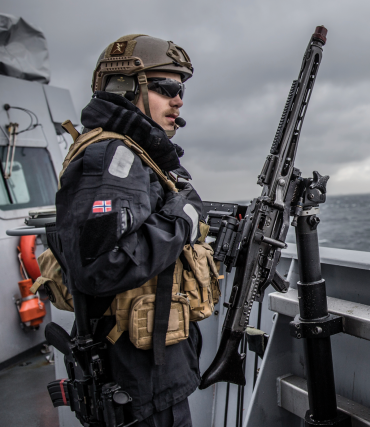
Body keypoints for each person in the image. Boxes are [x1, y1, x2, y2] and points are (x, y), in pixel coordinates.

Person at [55, 34, 206, 427]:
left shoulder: (136, 154)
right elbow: (101, 266)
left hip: (147, 378)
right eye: (167, 88)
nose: (179, 100)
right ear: (125, 88)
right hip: (138, 387)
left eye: (181, 90)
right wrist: (181, 222)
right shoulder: (113, 156)